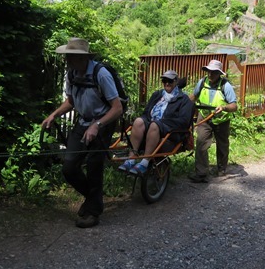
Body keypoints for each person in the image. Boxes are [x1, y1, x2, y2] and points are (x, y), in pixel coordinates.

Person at [42, 38, 123, 229]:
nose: (67, 61)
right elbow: (70, 101)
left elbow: (117, 108)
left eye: (71, 57)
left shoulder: (101, 74)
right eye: (67, 57)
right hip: (83, 121)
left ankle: (92, 212)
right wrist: (54, 114)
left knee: (95, 166)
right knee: (69, 167)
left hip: (104, 121)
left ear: (83, 58)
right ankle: (94, 199)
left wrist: (97, 125)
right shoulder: (72, 74)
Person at [118, 70, 194, 174]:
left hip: (170, 131)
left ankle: (144, 162)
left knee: (155, 125)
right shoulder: (157, 95)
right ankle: (131, 158)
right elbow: (146, 113)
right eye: (164, 80)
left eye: (170, 81)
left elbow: (184, 122)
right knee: (138, 121)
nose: (167, 83)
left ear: (176, 81)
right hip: (152, 125)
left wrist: (161, 123)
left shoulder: (184, 99)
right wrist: (147, 122)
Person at [188, 60, 238, 183]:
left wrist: (224, 107)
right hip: (204, 117)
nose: (211, 75)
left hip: (221, 120)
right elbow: (193, 97)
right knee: (201, 143)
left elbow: (234, 106)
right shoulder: (202, 82)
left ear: (219, 73)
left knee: (222, 146)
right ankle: (201, 173)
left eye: (214, 72)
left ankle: (221, 169)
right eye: (209, 72)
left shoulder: (226, 86)